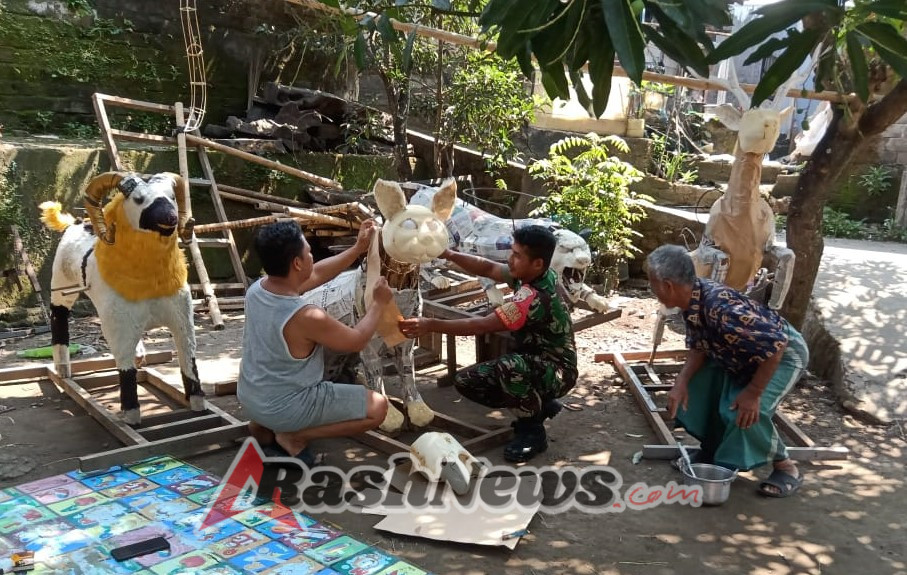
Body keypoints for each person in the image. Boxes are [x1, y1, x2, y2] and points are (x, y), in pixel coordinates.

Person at [398, 225, 577, 462]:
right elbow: (488, 268)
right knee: (467, 381)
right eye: (512, 252)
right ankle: (538, 402)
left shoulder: (533, 298)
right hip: (536, 362)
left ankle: (532, 430)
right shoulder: (538, 274)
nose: (510, 259)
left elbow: (481, 325)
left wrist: (430, 324)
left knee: (510, 367)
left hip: (558, 371)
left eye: (517, 255)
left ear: (537, 263)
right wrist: (448, 254)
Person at [646, 244, 809, 498]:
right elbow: (700, 346)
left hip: (784, 355)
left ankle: (786, 466)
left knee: (745, 411)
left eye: (652, 283)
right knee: (700, 388)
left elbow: (776, 345)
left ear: (667, 285)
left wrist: (753, 393)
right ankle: (712, 451)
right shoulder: (692, 300)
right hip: (742, 357)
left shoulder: (721, 309)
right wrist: (681, 381)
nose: (652, 289)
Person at [237, 219, 392, 465]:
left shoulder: (257, 290)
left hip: (251, 397)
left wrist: (357, 249)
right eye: (309, 252)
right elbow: (357, 341)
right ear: (297, 263)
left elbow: (317, 273)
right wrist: (379, 304)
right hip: (286, 407)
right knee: (378, 408)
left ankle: (263, 426)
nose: (312, 256)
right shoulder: (305, 316)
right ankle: (294, 436)